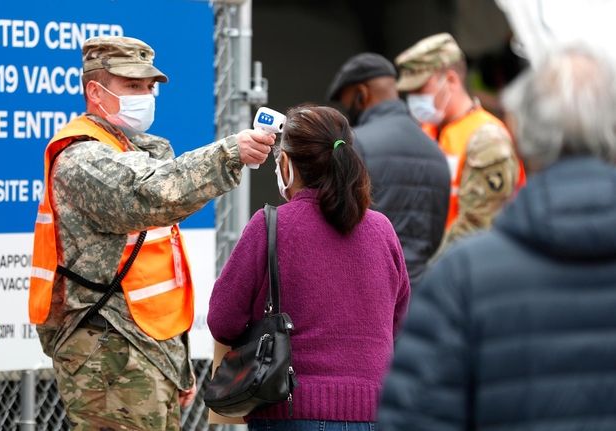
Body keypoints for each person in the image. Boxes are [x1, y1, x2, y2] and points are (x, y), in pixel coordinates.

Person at [28, 36, 275, 430]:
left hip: (143, 349)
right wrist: (229, 152)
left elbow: (151, 275)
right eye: (132, 86)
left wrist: (176, 367)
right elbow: (145, 195)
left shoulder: (130, 148)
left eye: (149, 86)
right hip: (106, 352)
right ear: (95, 91)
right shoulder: (82, 157)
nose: (146, 95)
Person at [379, 46, 616, 430]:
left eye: (420, 88)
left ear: (521, 136)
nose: (414, 100)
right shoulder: (435, 133)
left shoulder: (463, 280)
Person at [208, 106, 411, 430]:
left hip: (289, 409)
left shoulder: (270, 226)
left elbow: (223, 321)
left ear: (287, 164)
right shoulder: (382, 229)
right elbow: (397, 320)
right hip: (374, 411)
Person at [327, 53, 450, 285]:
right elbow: (436, 235)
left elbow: (337, 223)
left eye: (348, 104)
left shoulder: (355, 145)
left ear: (362, 93)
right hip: (419, 293)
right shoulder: (435, 151)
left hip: (371, 290)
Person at [395, 33, 524, 249]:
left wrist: (430, 270)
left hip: (466, 266)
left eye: (420, 89)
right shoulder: (426, 132)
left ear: (452, 80)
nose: (414, 99)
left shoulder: (487, 138)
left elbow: (479, 225)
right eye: (410, 92)